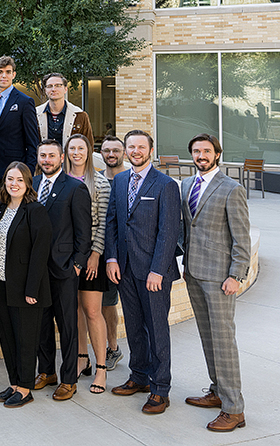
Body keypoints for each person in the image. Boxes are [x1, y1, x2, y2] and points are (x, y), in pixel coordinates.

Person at [105, 130, 180, 415]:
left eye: (140, 146)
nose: (135, 151)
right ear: (125, 150)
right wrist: (111, 259)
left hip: (153, 273)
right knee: (134, 328)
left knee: (157, 331)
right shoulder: (121, 180)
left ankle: (160, 388)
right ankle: (139, 376)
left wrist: (158, 271)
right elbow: (112, 221)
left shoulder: (165, 185)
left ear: (150, 149)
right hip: (124, 268)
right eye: (131, 146)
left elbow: (169, 232)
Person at [181, 133, 250, 432]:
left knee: (223, 342)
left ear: (217, 154)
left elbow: (242, 238)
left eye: (207, 151)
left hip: (221, 277)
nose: (201, 155)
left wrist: (236, 275)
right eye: (196, 151)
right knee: (208, 337)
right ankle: (217, 391)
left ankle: (234, 409)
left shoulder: (231, 189)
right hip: (194, 273)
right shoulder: (186, 184)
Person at [0, 161, 52, 408]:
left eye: (19, 180)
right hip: (0, 283)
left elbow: (40, 252)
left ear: (27, 184)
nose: (14, 184)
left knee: (25, 339)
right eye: (10, 179)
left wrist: (32, 289)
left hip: (25, 288)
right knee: (7, 337)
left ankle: (25, 388)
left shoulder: (35, 211)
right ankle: (14, 383)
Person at [31, 139, 92, 401]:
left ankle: (68, 378)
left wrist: (77, 264)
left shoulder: (75, 188)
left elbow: (84, 232)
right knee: (41, 324)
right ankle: (47, 372)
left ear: (61, 157)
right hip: (36, 269)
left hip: (64, 268)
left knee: (67, 326)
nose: (46, 160)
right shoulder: (31, 184)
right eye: (42, 155)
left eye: (51, 155)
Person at [64, 134, 111, 394]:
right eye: (72, 148)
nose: (76, 153)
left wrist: (95, 253)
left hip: (92, 255)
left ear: (88, 151)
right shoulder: (61, 180)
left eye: (81, 148)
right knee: (75, 310)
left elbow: (104, 222)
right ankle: (82, 358)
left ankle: (102, 368)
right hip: (67, 256)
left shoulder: (101, 183)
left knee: (92, 311)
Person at [0, 56, 40, 200]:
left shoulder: (25, 102)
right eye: (0, 72)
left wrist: (28, 174)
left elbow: (33, 142)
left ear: (13, 74)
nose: (4, 75)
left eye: (8, 72)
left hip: (13, 173)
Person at [100, 135, 127, 369]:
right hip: (100, 253)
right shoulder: (96, 180)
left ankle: (115, 347)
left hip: (125, 254)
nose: (111, 154)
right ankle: (110, 348)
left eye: (116, 150)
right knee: (105, 304)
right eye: (107, 150)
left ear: (124, 153)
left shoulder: (131, 180)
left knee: (117, 304)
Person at [35, 73, 93, 145]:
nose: (53, 89)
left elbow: (88, 145)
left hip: (70, 156)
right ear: (45, 90)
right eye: (50, 86)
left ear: (65, 89)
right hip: (43, 156)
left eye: (58, 86)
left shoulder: (80, 115)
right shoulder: (35, 114)